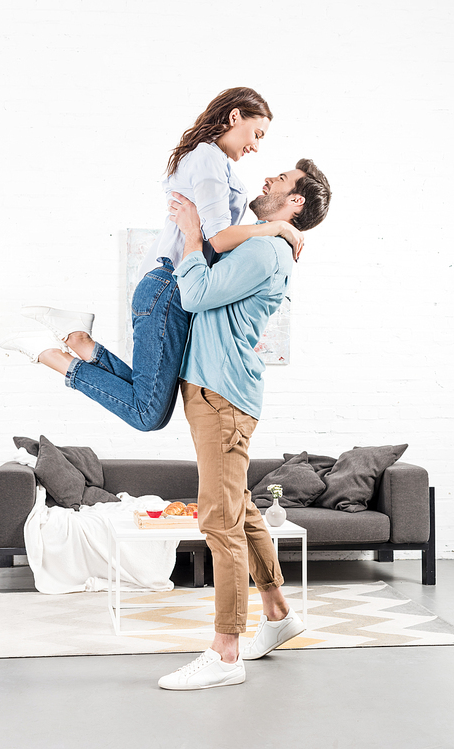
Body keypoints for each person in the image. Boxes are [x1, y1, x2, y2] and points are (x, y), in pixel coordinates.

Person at [0, 88, 303, 431]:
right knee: (148, 414)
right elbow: (217, 238)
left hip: (169, 288)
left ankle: (79, 341)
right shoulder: (208, 158)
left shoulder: (216, 162)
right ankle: (50, 354)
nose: (256, 146)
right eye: (257, 134)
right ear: (235, 117)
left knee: (148, 402)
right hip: (169, 287)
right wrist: (276, 226)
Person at [157, 159, 331, 690]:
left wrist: (190, 234)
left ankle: (225, 651)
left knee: (220, 520)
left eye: (280, 180)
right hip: (217, 391)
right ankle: (278, 614)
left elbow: (196, 294)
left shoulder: (265, 249)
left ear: (296, 201)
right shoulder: (266, 240)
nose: (268, 180)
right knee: (241, 509)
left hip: (223, 397)